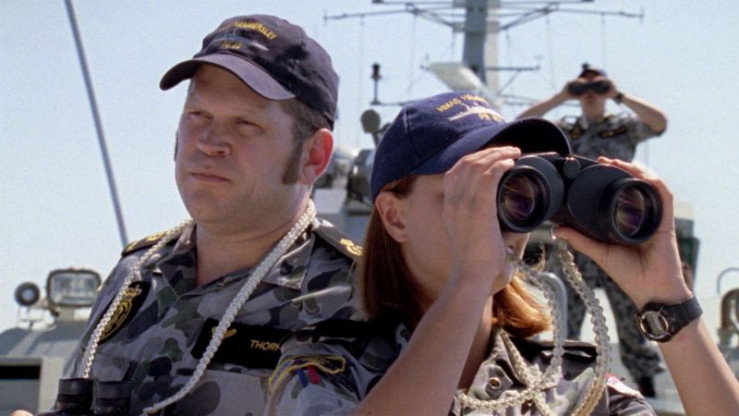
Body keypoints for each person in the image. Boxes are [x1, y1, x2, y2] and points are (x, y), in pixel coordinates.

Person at [265, 91, 739, 415]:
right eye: (468, 190)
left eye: (512, 190)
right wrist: (470, 281)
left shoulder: (572, 388)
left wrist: (669, 302)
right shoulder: (322, 369)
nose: (493, 214)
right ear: (394, 217)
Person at [12, 14, 364, 416]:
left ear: (313, 156)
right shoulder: (135, 275)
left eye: (245, 123)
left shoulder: (358, 297)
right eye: (198, 116)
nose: (210, 142)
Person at [517, 64, 669, 395]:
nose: (590, 93)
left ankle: (645, 381)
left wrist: (618, 95)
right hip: (576, 228)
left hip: (617, 226)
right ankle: (559, 380)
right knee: (565, 310)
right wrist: (561, 97)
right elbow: (521, 126)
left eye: (597, 87)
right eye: (583, 88)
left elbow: (659, 123)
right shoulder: (566, 130)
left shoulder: (622, 127)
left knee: (631, 313)